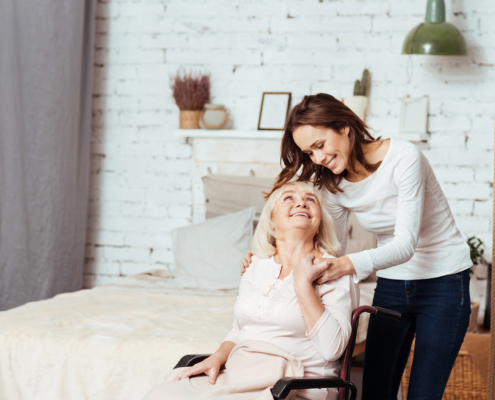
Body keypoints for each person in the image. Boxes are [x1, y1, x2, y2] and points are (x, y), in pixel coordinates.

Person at [242, 93, 472, 400]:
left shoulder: (404, 158)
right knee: (375, 392)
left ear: (346, 128)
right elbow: (329, 250)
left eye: (320, 145)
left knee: (423, 395)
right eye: (309, 153)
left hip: (444, 281)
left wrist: (345, 265)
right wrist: (267, 263)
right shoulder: (333, 184)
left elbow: (405, 246)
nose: (318, 159)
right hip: (392, 283)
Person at [144, 181, 359, 400]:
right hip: (241, 374)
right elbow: (239, 329)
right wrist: (217, 357)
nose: (301, 203)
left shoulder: (335, 269)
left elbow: (333, 348)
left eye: (310, 200)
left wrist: (303, 284)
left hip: (295, 386)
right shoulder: (255, 265)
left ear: (320, 222)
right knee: (160, 394)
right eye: (289, 198)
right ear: (272, 221)